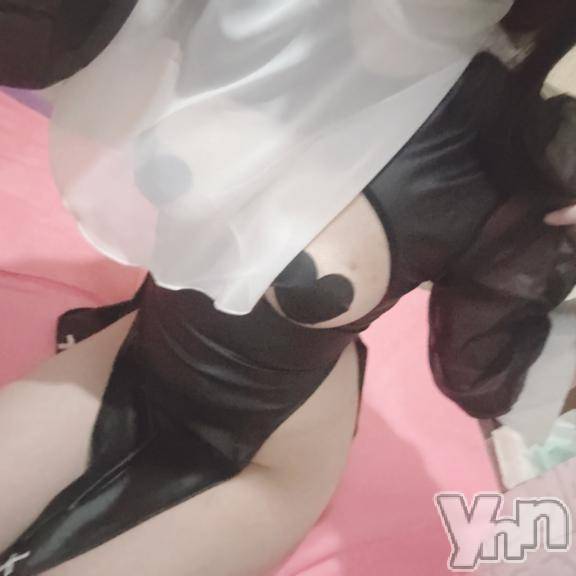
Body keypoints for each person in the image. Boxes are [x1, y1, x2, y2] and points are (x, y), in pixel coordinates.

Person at [0, 1, 575, 575]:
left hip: (266, 448)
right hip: (139, 354)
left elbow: (485, 376)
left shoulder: (515, 149)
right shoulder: (244, 18)